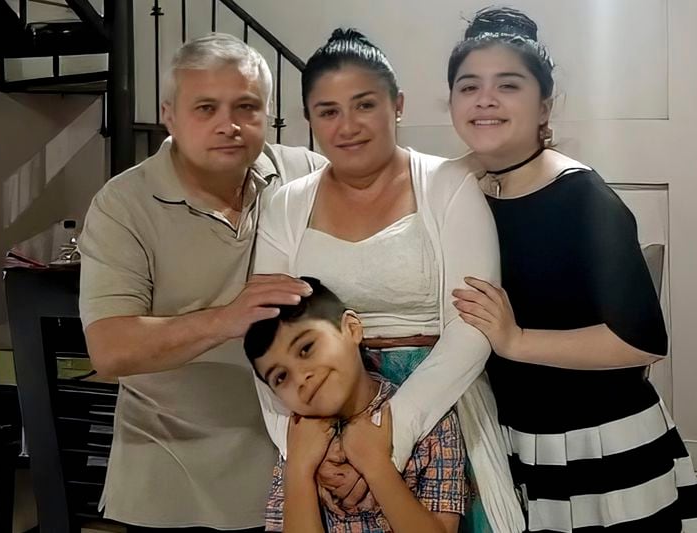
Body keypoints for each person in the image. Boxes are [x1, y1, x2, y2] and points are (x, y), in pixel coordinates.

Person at [253, 29, 523, 532]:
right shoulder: (283, 205)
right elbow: (264, 336)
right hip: (318, 409)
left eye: (364, 105)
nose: (347, 126)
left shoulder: (449, 184)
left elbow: (474, 324)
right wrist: (308, 450)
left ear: (396, 105)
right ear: (310, 119)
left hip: (438, 404)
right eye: (327, 111)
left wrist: (390, 436)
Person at [447, 8, 697, 532]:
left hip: (598, 442)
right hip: (516, 440)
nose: (485, 100)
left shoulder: (580, 195)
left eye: (508, 86)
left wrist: (516, 340)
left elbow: (643, 341)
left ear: (545, 105)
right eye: (468, 86)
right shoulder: (472, 190)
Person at [78, 33, 326, 531]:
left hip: (301, 466)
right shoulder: (122, 204)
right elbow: (109, 350)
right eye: (205, 108)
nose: (228, 125)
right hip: (174, 477)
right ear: (169, 113)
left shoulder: (303, 174)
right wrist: (227, 319)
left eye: (246, 107)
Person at [244, 277, 467, 532]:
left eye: (306, 348)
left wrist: (377, 466)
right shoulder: (298, 440)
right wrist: (299, 469)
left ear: (351, 329)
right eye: (281, 377)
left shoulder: (432, 422)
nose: (301, 378)